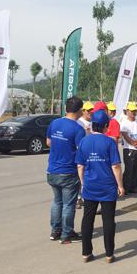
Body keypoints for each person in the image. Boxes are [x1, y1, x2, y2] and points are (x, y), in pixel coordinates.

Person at [76, 110, 124, 264]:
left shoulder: (84, 141)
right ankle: (109, 254)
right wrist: (120, 186)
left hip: (90, 186)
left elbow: (80, 166)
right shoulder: (109, 142)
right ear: (106, 126)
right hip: (108, 187)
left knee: (87, 219)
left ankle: (86, 253)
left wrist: (83, 183)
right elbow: (115, 166)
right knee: (108, 220)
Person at [46, 96, 86, 244]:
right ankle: (66, 234)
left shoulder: (55, 123)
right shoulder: (77, 129)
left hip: (52, 170)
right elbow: (81, 151)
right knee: (69, 204)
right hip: (68, 171)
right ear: (80, 111)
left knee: (57, 201)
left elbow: (49, 142)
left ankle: (55, 230)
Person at [120, 102, 137, 194]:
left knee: (136, 168)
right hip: (129, 148)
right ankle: (125, 187)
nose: (134, 113)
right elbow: (125, 135)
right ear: (127, 111)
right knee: (129, 168)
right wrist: (134, 143)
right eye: (132, 111)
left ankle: (133, 187)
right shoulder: (124, 123)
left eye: (135, 111)